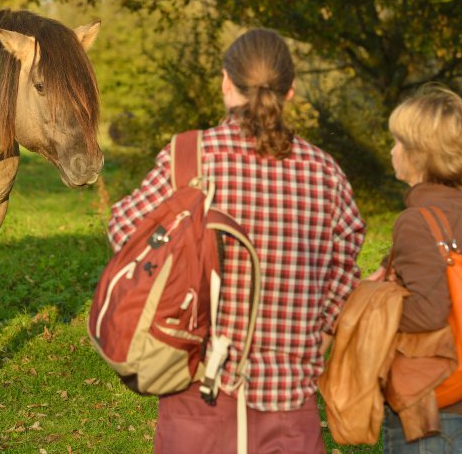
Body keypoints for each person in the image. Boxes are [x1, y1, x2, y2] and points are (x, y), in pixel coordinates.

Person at [107, 28, 365, 453]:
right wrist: (321, 330)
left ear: (226, 83)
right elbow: (346, 262)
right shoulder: (325, 173)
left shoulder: (189, 158)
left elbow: (124, 231)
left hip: (196, 395)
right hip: (291, 406)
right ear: (291, 92)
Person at [365, 85, 462, 453]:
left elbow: (427, 313)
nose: (392, 149)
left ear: (418, 154)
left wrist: (375, 296)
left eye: (398, 141)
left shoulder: (415, 222)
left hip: (431, 415)